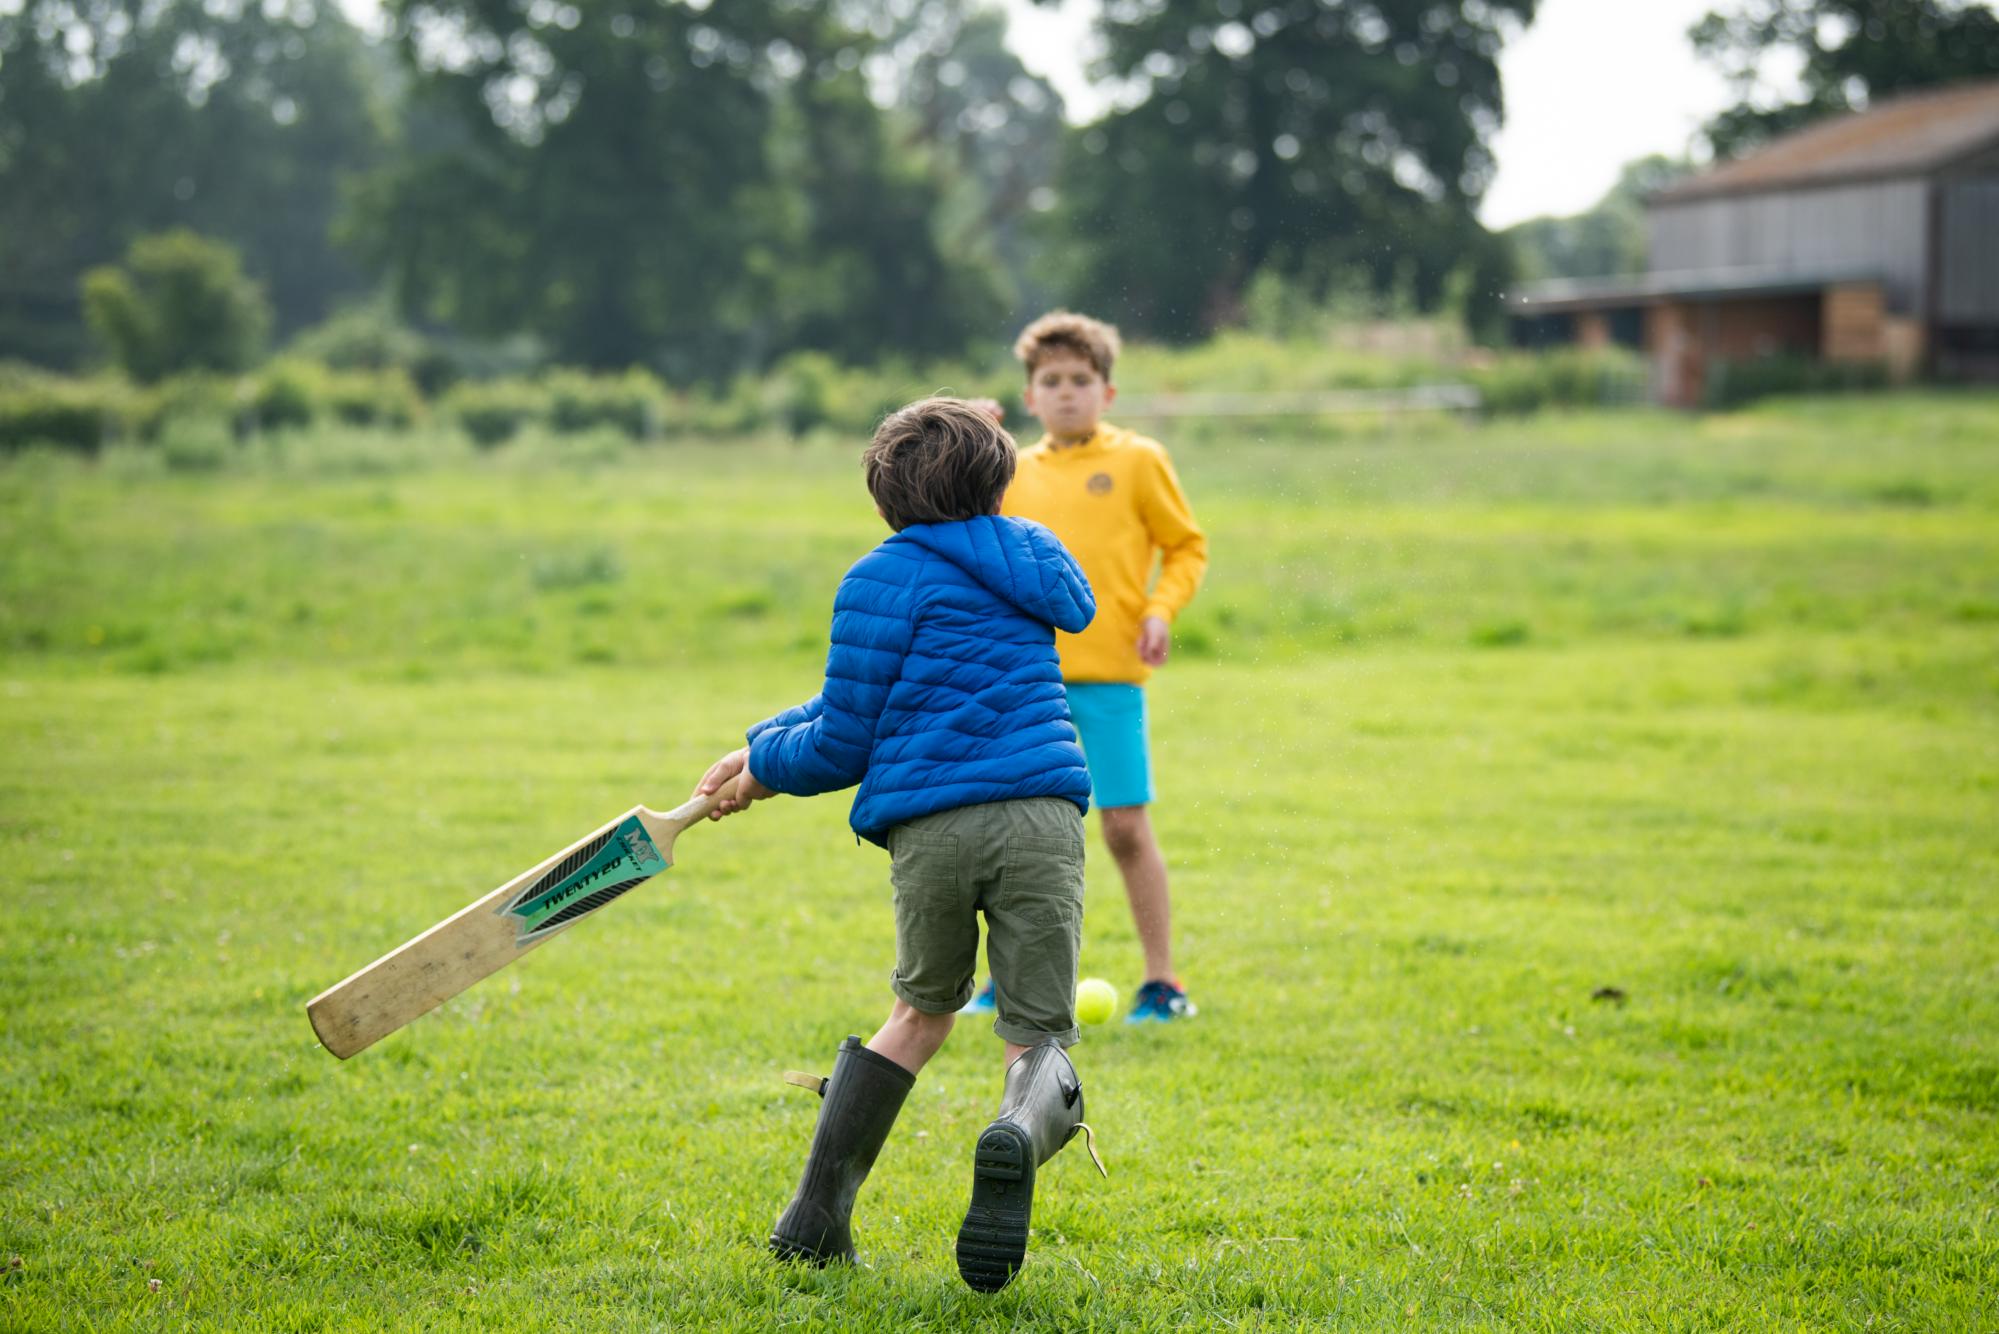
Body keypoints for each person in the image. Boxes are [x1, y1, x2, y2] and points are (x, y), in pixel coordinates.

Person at [694, 397, 1105, 1293]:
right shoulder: (1034, 553)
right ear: (998, 478)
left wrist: (766, 775)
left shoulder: (877, 577)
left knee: (920, 1015)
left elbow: (846, 733)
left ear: (883, 496)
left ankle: (814, 1219)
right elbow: (1074, 611)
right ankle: (1015, 1135)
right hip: (1039, 815)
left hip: (932, 830)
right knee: (1036, 1038)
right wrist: (757, 746)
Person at [966, 310, 1209, 1023]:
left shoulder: (1138, 460)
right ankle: (998, 982)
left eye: (1080, 379)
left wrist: (1162, 608)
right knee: (1008, 834)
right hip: (1019, 680)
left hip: (1109, 678)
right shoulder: (1008, 470)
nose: (1066, 391)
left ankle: (1163, 984)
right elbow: (953, 524)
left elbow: (1185, 546)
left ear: (1105, 393)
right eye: (1050, 381)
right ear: (1030, 396)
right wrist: (975, 438)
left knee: (1123, 829)